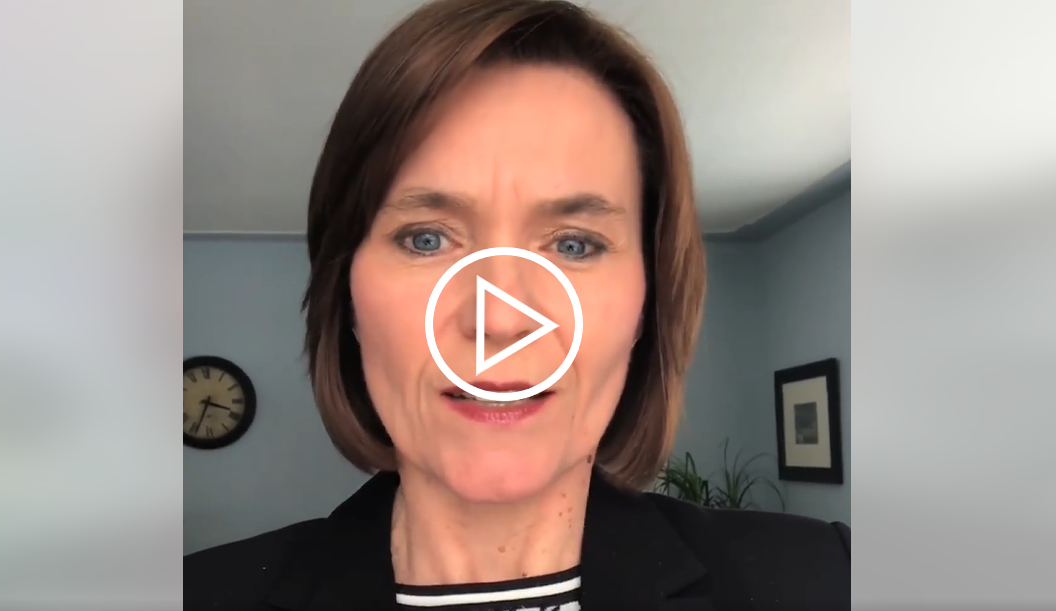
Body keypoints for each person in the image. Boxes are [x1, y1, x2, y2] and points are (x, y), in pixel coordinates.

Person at [183, 0, 850, 609]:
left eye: (574, 244)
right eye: (426, 238)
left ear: (648, 303)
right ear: (347, 295)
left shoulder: (832, 580)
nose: (501, 319)